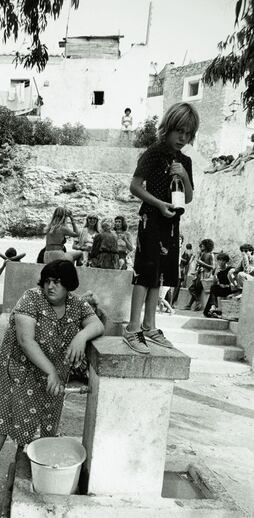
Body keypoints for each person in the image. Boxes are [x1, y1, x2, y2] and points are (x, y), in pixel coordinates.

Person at [0, 260, 104, 495]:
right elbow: (26, 341)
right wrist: (52, 372)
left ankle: (21, 469)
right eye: (47, 281)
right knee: (2, 421)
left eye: (57, 282)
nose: (50, 287)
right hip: (18, 370)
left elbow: (97, 325)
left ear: (69, 285)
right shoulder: (31, 298)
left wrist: (81, 337)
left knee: (35, 426)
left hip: (49, 375)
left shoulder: (76, 305)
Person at [122, 102, 199, 353]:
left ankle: (149, 326)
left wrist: (184, 176)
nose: (182, 137)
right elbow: (135, 186)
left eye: (188, 133)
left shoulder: (185, 160)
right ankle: (132, 328)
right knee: (145, 270)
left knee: (161, 274)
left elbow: (187, 197)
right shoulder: (154, 152)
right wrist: (157, 203)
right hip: (152, 218)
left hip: (172, 221)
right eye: (179, 131)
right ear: (168, 128)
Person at [185, 239, 215, 311]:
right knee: (193, 288)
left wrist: (202, 263)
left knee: (194, 288)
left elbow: (212, 267)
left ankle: (196, 303)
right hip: (199, 273)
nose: (201, 246)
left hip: (205, 275)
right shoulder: (203, 253)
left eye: (203, 245)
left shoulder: (211, 255)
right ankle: (192, 304)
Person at [203, 252, 232, 317]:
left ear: (226, 261)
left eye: (223, 260)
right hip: (222, 289)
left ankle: (213, 308)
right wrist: (215, 274)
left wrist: (225, 286)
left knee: (214, 289)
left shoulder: (230, 270)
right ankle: (213, 307)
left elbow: (234, 284)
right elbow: (214, 283)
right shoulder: (217, 270)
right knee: (213, 287)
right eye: (219, 260)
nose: (221, 262)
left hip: (229, 289)